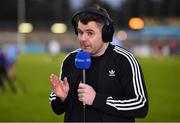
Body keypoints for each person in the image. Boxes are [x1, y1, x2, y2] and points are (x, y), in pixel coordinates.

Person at [49, 4, 148, 122]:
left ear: (106, 33)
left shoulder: (124, 60)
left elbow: (141, 105)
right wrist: (62, 99)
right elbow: (58, 109)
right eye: (80, 32)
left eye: (90, 33)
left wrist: (96, 99)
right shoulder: (70, 60)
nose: (83, 38)